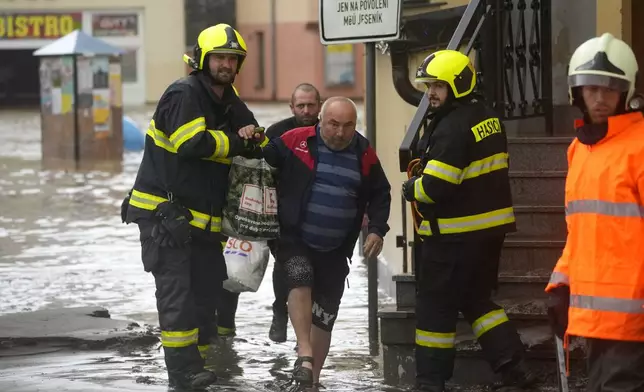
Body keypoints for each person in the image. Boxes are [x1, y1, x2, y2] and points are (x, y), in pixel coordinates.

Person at [120, 23, 265, 390]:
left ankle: (197, 361)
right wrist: (237, 141)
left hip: (197, 224)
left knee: (205, 293)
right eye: (219, 57)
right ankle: (182, 374)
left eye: (233, 59)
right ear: (201, 59)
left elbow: (252, 132)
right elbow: (192, 143)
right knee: (177, 296)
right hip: (162, 216)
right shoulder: (184, 94)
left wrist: (252, 134)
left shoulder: (227, 97)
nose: (226, 64)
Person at [401, 50, 535, 392]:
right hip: (489, 233)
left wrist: (412, 188)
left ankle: (430, 382)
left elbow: (435, 188)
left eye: (437, 86)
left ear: (458, 85)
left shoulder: (450, 127)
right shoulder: (488, 118)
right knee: (477, 301)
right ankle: (513, 367)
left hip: (453, 238)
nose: (430, 93)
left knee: (435, 310)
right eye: (428, 85)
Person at [258, 97, 391, 390]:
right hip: (294, 237)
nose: (340, 133)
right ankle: (303, 352)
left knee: (325, 315)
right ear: (320, 120)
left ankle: (312, 381)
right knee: (299, 276)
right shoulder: (295, 141)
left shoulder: (364, 152)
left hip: (336, 249)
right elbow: (259, 159)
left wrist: (376, 230)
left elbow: (381, 194)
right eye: (333, 124)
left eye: (348, 126)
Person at [545, 33, 644, 392]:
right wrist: (561, 283)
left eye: (610, 88)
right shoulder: (579, 151)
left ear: (626, 92)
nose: (600, 98)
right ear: (577, 93)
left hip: (633, 325)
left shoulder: (640, 147)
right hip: (594, 322)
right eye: (591, 88)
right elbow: (580, 232)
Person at [266, 83, 322, 344]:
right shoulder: (277, 133)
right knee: (287, 267)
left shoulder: (330, 131)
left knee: (315, 273)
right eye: (301, 105)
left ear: (319, 106)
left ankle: (310, 328)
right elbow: (261, 172)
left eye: (311, 105)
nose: (306, 110)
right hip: (283, 215)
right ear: (292, 107)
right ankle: (280, 311)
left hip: (318, 216)